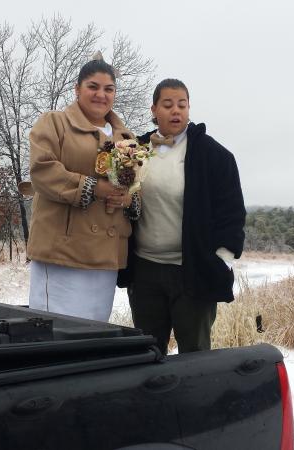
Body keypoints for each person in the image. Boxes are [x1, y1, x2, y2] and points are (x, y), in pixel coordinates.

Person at [118, 79, 246, 354]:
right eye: (167, 105)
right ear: (154, 110)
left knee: (195, 356)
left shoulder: (213, 155)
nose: (175, 110)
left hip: (193, 271)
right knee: (147, 354)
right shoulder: (135, 151)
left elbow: (232, 213)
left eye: (182, 104)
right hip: (145, 271)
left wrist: (221, 259)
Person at [25, 55, 139, 322]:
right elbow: (43, 170)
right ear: (77, 89)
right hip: (63, 254)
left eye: (109, 89)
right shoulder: (54, 123)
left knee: (92, 333)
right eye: (93, 87)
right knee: (57, 332)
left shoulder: (127, 138)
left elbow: (137, 186)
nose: (101, 94)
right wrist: (93, 187)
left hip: (106, 258)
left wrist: (127, 198)